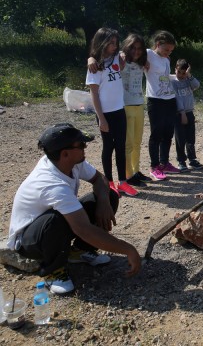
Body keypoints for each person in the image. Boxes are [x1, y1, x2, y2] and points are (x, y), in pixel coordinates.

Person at [6, 123, 142, 294]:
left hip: (55, 224)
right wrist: (128, 249)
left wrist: (103, 203)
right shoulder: (51, 183)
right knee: (55, 220)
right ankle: (53, 271)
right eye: (82, 145)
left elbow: (99, 179)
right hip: (30, 240)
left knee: (109, 195)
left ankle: (78, 252)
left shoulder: (72, 161)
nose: (85, 148)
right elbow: (83, 229)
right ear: (65, 153)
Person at [86, 28, 138, 197]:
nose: (115, 46)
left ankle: (122, 182)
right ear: (102, 42)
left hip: (119, 111)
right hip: (105, 114)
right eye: (111, 43)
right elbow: (94, 94)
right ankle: (109, 182)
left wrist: (122, 54)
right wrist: (101, 118)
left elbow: (126, 54)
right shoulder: (94, 66)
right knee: (108, 147)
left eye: (116, 43)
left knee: (121, 146)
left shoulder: (116, 57)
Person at [144, 30, 180, 180]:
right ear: (158, 44)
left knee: (168, 133)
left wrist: (177, 77)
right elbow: (126, 53)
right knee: (156, 134)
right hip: (155, 100)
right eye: (166, 49)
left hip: (170, 99)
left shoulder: (166, 60)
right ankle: (154, 167)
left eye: (171, 50)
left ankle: (164, 163)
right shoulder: (148, 54)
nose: (168, 53)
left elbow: (164, 77)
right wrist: (91, 59)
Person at [120, 34, 152, 187]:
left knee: (137, 142)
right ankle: (128, 174)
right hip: (124, 106)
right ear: (127, 46)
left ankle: (136, 171)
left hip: (139, 104)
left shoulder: (141, 63)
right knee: (128, 143)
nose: (136, 51)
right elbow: (99, 56)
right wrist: (91, 59)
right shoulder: (120, 60)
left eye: (139, 48)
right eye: (133, 47)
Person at [171, 59, 203, 171]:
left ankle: (192, 160)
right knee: (180, 138)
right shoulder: (173, 82)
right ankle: (181, 161)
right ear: (175, 69)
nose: (181, 75)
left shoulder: (188, 80)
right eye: (179, 72)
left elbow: (197, 85)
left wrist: (189, 75)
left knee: (190, 138)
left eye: (183, 73)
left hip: (190, 112)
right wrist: (182, 112)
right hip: (180, 114)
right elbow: (177, 97)